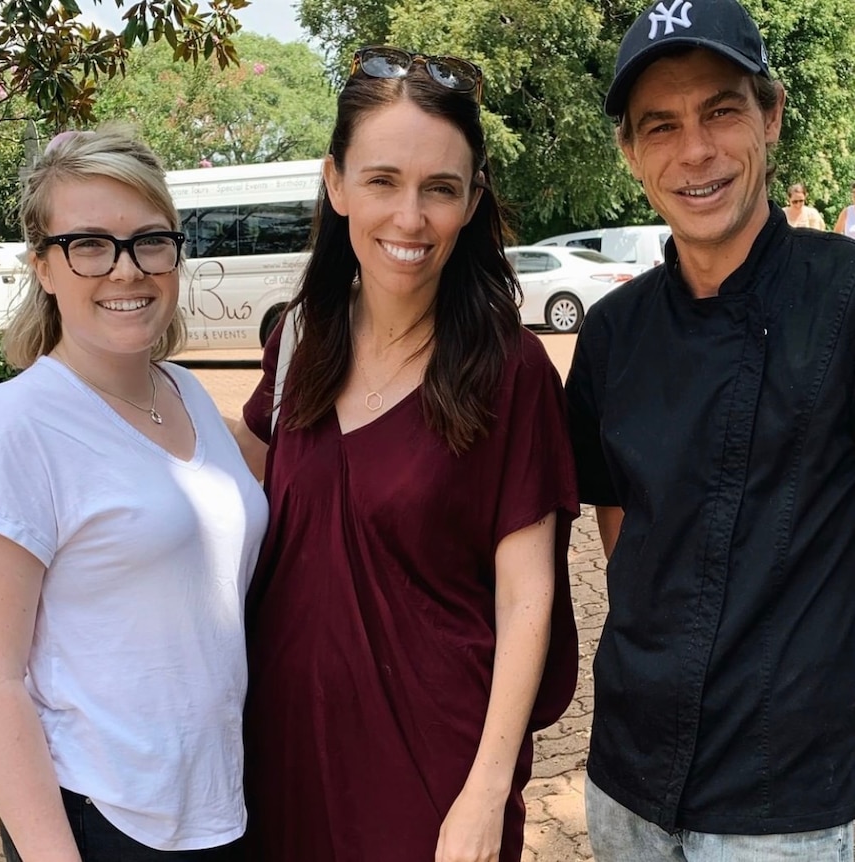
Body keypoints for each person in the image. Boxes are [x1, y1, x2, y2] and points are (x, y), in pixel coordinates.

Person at [233, 45, 579, 862]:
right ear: (336, 182)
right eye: (383, 180)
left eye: (441, 189)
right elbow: (219, 501)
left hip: (435, 772)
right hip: (282, 756)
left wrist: (487, 791)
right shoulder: (297, 342)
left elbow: (528, 599)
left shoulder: (510, 369)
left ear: (471, 201)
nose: (410, 219)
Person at [565, 0, 855, 858]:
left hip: (790, 800)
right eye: (660, 126)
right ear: (630, 153)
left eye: (721, 110)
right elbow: (621, 528)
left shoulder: (844, 297)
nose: (694, 151)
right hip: (628, 780)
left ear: (771, 116)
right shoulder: (611, 334)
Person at [0, 126, 268, 861]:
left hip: (220, 801)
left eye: (150, 241)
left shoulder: (184, 390)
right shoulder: (16, 426)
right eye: (89, 244)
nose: (126, 270)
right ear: (43, 267)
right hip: (107, 817)